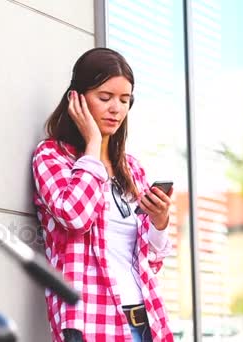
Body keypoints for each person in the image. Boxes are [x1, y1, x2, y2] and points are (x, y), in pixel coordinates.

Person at [31, 48, 174, 342]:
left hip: (147, 321)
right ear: (77, 98)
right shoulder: (52, 157)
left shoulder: (132, 169)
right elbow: (74, 216)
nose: (116, 109)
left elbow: (151, 261)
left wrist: (160, 221)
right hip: (93, 324)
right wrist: (93, 143)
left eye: (124, 100)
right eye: (105, 97)